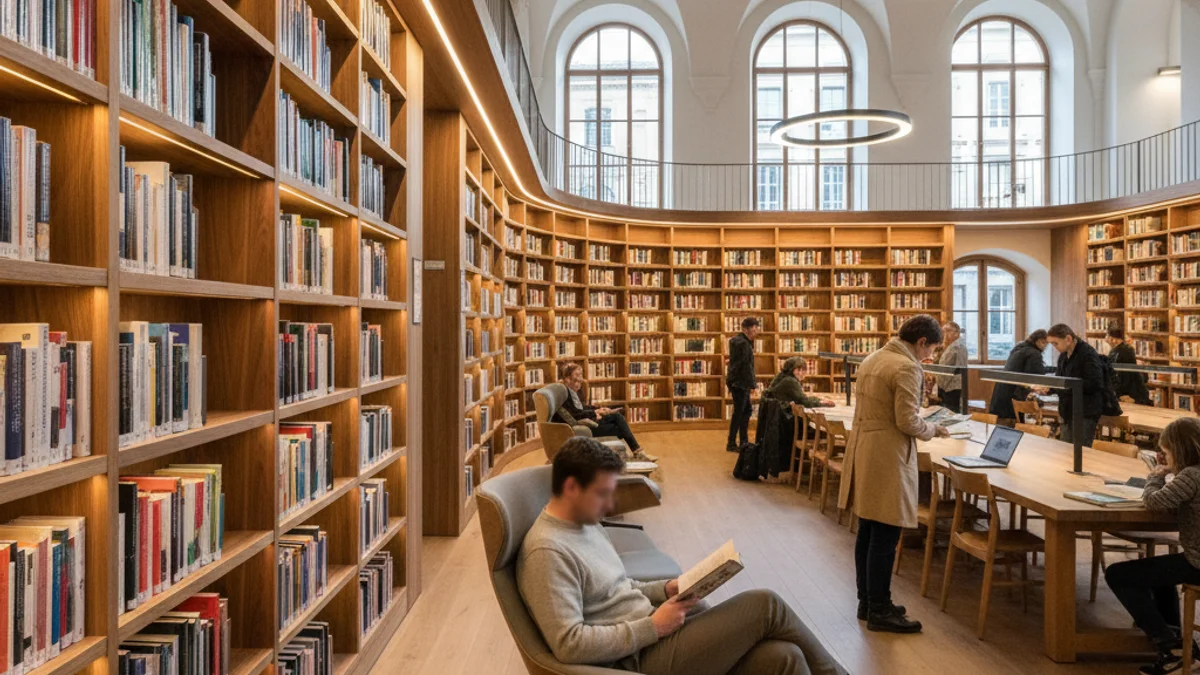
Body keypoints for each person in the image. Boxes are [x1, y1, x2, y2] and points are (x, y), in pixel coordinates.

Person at [517, 437, 848, 675]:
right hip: (637, 658)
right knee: (766, 604)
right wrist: (653, 627)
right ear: (571, 487)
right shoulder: (548, 551)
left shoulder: (585, 522)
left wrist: (666, 589)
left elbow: (619, 587)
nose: (610, 504)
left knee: (785, 657)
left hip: (653, 631)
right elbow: (569, 644)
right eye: (603, 493)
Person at [836, 315, 950, 633]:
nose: (929, 357)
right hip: (888, 454)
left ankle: (868, 601)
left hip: (865, 448)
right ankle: (880, 609)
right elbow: (907, 421)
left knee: (868, 530)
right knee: (886, 535)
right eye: (931, 350)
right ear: (921, 342)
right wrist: (934, 429)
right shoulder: (906, 367)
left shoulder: (873, 358)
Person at [1104, 417, 1200, 675]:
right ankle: (1178, 645)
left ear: (1178, 451)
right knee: (1159, 575)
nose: (1165, 458)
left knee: (1118, 574)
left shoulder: (1191, 475)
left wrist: (1156, 476)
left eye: (1166, 453)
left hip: (1197, 563)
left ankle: (1169, 645)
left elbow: (1154, 502)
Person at [554, 362, 657, 462]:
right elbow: (575, 414)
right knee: (619, 427)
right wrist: (595, 413)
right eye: (577, 377)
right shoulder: (564, 394)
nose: (580, 380)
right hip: (583, 427)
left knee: (617, 418)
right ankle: (637, 452)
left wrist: (598, 409)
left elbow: (581, 408)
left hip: (586, 422)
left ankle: (637, 451)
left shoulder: (568, 391)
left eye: (580, 376)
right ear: (567, 378)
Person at [1047, 323, 1107, 449]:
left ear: (1068, 339)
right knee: (1065, 450)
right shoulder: (1063, 356)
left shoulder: (1088, 354)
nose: (1054, 347)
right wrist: (1049, 388)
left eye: (1055, 343)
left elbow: (1095, 384)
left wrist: (1066, 387)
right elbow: (1060, 380)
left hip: (1084, 412)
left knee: (1080, 452)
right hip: (1067, 411)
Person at [988, 329, 1049, 424]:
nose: (1045, 346)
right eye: (1043, 342)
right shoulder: (1033, 353)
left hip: (1001, 395)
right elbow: (1036, 375)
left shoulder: (1019, 348)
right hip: (1013, 397)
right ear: (1036, 341)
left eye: (1046, 343)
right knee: (1013, 426)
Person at [726, 317, 762, 453]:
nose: (755, 331)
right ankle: (735, 442)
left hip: (736, 381)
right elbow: (746, 366)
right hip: (741, 382)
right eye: (753, 328)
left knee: (744, 411)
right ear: (746, 329)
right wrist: (753, 384)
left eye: (756, 328)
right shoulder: (744, 344)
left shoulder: (737, 342)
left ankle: (742, 441)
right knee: (741, 412)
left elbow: (735, 363)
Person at [1106, 326, 1153, 405]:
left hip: (1130, 393)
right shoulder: (1117, 350)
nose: (1105, 339)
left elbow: (1125, 374)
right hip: (1128, 391)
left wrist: (1121, 393)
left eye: (1107, 336)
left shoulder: (1124, 351)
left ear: (1112, 339)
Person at [766, 357, 836, 409]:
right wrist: (822, 403)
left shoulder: (782, 376)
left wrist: (818, 400)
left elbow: (801, 398)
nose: (801, 373)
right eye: (798, 370)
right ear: (791, 369)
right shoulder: (790, 381)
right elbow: (805, 402)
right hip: (781, 418)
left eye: (803, 370)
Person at [935, 322, 969, 413]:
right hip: (945, 387)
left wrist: (942, 387)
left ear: (957, 333)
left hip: (952, 388)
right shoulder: (950, 346)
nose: (945, 334)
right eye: (943, 331)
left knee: (952, 414)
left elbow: (959, 369)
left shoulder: (959, 347)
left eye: (948, 331)